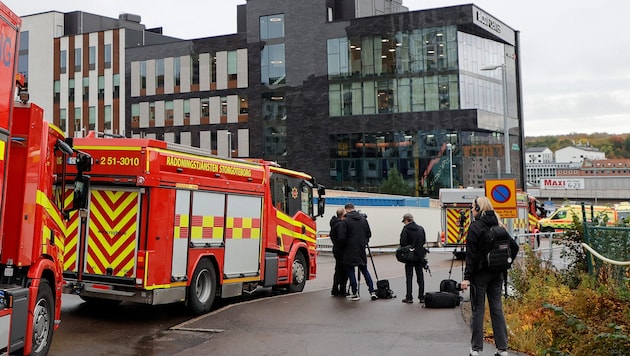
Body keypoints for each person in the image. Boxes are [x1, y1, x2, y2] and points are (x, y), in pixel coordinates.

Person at [460, 196, 509, 356]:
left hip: (480, 276)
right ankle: (502, 349)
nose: (472, 209)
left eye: (473, 207)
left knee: (478, 310)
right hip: (497, 274)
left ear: (478, 209)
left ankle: (475, 349)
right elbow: (512, 247)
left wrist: (467, 277)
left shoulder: (475, 227)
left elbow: (471, 255)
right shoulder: (498, 224)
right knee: (497, 309)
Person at [338, 203, 377, 301]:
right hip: (361, 249)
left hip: (349, 249)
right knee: (364, 270)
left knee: (350, 270)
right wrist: (364, 242)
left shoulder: (345, 221)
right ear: (354, 209)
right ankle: (372, 291)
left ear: (346, 210)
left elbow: (341, 237)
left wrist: (343, 246)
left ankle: (355, 292)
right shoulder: (363, 220)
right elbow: (369, 234)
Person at [399, 213, 426, 304]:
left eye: (404, 221)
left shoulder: (405, 230)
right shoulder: (420, 228)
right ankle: (421, 297)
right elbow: (424, 241)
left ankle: (409, 297)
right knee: (420, 276)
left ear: (406, 220)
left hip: (409, 256)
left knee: (409, 277)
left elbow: (403, 243)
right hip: (419, 255)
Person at [329, 207, 348, 296]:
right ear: (343, 215)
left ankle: (335, 288)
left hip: (336, 249)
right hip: (342, 250)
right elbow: (342, 238)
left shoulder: (334, 224)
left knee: (338, 270)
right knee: (344, 270)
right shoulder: (341, 225)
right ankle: (342, 289)